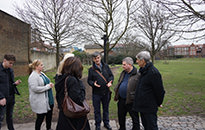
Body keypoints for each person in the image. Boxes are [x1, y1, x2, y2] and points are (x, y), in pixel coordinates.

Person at [55, 57, 90, 130]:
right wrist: (81, 86)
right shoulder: (72, 80)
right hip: (73, 117)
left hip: (64, 114)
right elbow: (78, 99)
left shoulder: (61, 78)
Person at [133, 51, 165, 130]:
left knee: (151, 126)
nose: (136, 61)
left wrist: (158, 102)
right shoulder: (143, 71)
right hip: (143, 106)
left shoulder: (153, 73)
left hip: (149, 107)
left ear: (143, 60)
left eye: (137, 60)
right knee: (146, 126)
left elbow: (160, 91)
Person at [87, 52, 114, 130]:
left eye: (98, 57)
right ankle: (97, 124)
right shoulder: (91, 69)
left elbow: (111, 76)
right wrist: (93, 84)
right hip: (96, 93)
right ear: (93, 59)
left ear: (100, 58)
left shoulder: (106, 66)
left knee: (106, 109)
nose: (97, 59)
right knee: (97, 110)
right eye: (95, 58)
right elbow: (89, 80)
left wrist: (110, 81)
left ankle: (106, 123)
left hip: (106, 92)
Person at [114, 57, 140, 130]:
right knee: (121, 116)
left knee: (134, 117)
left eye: (124, 65)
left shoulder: (137, 74)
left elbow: (139, 88)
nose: (123, 66)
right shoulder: (123, 73)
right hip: (121, 99)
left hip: (131, 100)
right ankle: (122, 128)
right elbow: (120, 82)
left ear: (129, 64)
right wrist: (117, 90)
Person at [28, 59, 54, 130]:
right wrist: (47, 87)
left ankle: (49, 128)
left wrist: (49, 84)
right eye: (41, 65)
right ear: (36, 67)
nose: (43, 66)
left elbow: (46, 81)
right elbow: (35, 88)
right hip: (40, 101)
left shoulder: (42, 73)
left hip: (48, 99)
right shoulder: (33, 76)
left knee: (49, 116)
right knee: (40, 118)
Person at [0, 54, 21, 130]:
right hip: (2, 99)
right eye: (10, 63)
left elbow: (9, 83)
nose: (11, 65)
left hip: (11, 97)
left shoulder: (10, 70)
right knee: (1, 117)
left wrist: (15, 84)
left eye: (13, 63)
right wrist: (1, 97)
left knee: (10, 116)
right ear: (4, 60)